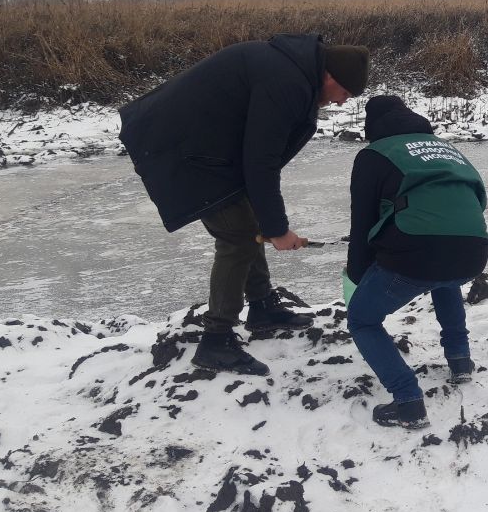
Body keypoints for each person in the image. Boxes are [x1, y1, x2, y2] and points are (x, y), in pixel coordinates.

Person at [119, 33, 369, 375]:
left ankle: (263, 306)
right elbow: (260, 161)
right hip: (180, 146)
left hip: (206, 144)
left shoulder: (292, 71)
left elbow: (257, 158)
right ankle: (216, 340)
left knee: (248, 222)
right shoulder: (288, 83)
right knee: (237, 236)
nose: (342, 103)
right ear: (330, 77)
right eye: (345, 94)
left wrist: (268, 222)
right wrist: (277, 229)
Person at [344, 95, 488, 429]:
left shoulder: (374, 155)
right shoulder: (447, 149)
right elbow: (477, 199)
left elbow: (361, 221)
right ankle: (460, 361)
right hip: (473, 249)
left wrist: (357, 275)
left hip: (417, 253)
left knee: (363, 320)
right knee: (446, 280)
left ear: (372, 126)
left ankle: (408, 401)